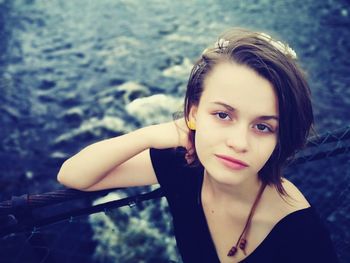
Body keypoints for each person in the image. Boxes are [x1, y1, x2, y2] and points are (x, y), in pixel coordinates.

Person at [57, 28, 339, 263]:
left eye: (263, 127)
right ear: (193, 113)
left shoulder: (302, 238)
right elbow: (74, 175)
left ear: (280, 137)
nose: (239, 143)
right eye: (223, 115)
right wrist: (149, 135)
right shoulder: (183, 164)